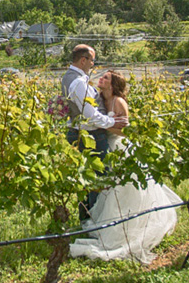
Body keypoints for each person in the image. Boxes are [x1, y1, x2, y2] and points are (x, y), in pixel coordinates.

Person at [69, 69, 181, 265]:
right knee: (108, 188)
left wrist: (102, 125)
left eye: (105, 78)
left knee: (120, 188)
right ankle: (103, 224)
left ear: (112, 85)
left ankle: (125, 228)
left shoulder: (119, 102)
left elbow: (124, 130)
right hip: (105, 144)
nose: (100, 79)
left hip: (118, 147)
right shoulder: (99, 98)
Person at [61, 44, 129, 219]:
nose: (93, 64)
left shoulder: (72, 78)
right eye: (92, 60)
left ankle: (87, 219)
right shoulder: (77, 81)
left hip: (81, 133)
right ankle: (95, 220)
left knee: (85, 179)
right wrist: (113, 121)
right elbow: (91, 115)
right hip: (89, 135)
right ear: (83, 60)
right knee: (97, 179)